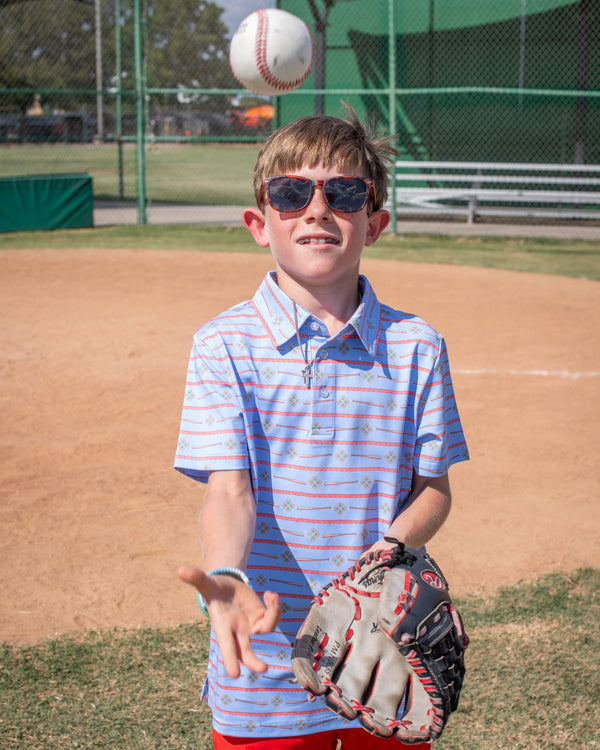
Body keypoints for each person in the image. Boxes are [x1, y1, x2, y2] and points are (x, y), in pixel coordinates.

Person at [175, 106, 469, 750]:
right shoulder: (223, 343)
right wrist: (225, 576)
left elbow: (434, 486)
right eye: (290, 194)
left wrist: (390, 550)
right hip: (267, 665)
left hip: (381, 661)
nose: (316, 210)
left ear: (375, 221)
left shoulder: (417, 346)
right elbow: (228, 491)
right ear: (259, 224)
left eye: (342, 193)